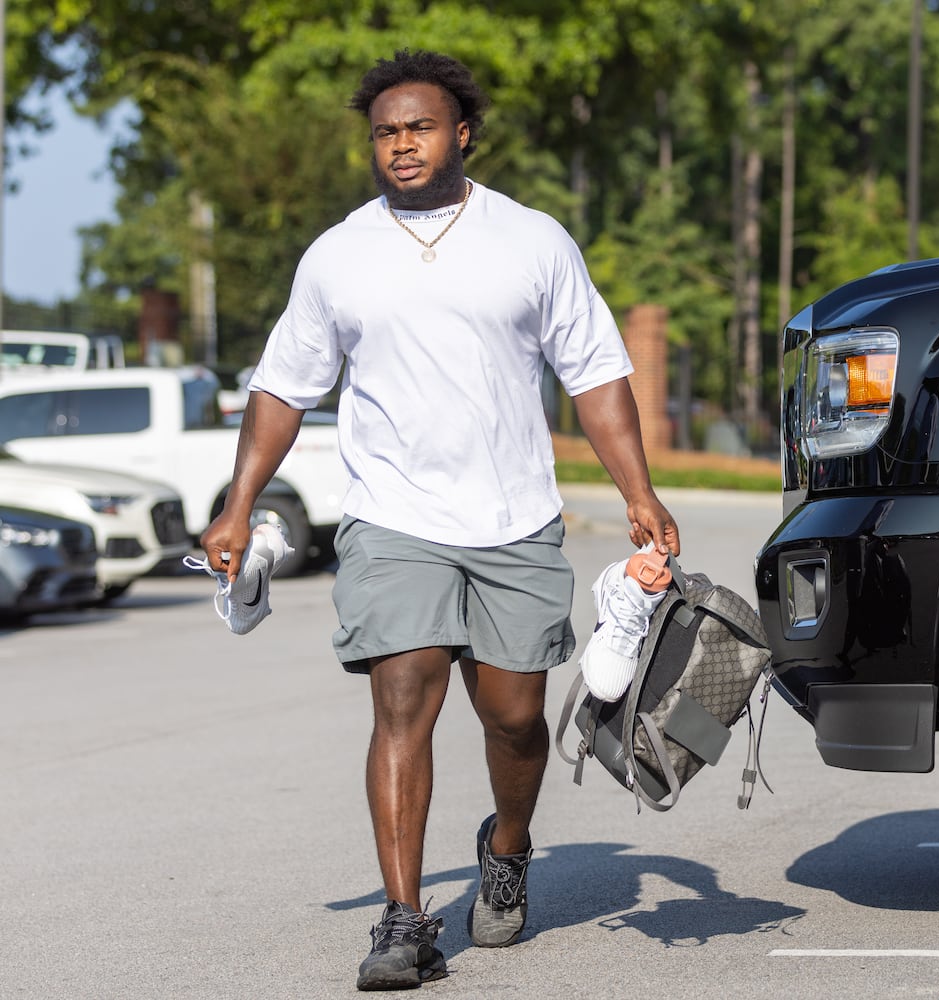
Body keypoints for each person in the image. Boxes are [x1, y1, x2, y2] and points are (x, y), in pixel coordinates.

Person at [198, 49, 680, 991]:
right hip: (392, 518)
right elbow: (283, 387)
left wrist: (639, 490)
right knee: (402, 702)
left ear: (461, 133)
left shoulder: (532, 241)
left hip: (512, 517)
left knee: (513, 718)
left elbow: (594, 373)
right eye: (385, 133)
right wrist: (237, 502)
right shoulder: (338, 254)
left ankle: (506, 847)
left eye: (418, 128)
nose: (400, 145)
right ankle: (403, 921)